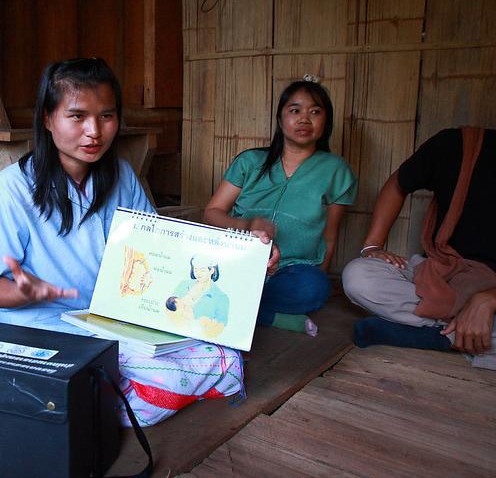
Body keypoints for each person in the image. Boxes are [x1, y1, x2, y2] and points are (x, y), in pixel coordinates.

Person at [0, 58, 245, 426]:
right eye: (77, 116)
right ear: (47, 119)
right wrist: (26, 293)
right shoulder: (8, 191)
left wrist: (244, 254)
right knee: (151, 371)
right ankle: (113, 396)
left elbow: (157, 249)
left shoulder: (122, 175)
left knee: (223, 353)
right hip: (47, 326)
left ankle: (106, 400)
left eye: (106, 116)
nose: (93, 132)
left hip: (112, 319)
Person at [203, 76, 358, 336]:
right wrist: (248, 225)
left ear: (326, 123)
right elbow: (211, 213)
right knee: (205, 273)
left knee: (315, 287)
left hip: (292, 269)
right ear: (280, 119)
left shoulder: (336, 171)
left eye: (315, 112)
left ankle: (224, 309)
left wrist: (318, 279)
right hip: (238, 261)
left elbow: (330, 237)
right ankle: (270, 316)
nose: (304, 119)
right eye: (295, 110)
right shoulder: (250, 162)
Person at [342, 127, 496, 369]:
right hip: (439, 274)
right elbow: (398, 184)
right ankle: (470, 336)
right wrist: (373, 246)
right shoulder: (459, 143)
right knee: (358, 276)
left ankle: (436, 337)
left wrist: (488, 299)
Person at [166, 256, 229, 338]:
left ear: (212, 270)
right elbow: (168, 311)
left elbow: (219, 329)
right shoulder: (183, 285)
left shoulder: (221, 298)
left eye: (202, 270)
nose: (198, 273)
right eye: (195, 269)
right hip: (174, 334)